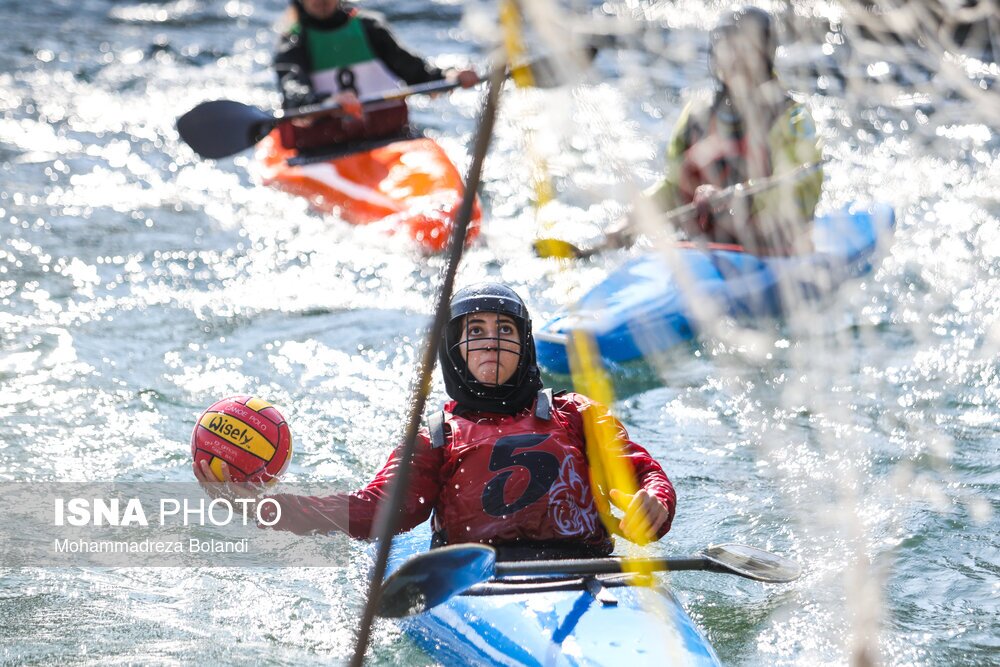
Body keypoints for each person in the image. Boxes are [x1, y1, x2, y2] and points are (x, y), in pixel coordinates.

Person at [195, 283, 676, 556]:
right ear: (455, 351)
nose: (490, 342)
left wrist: (653, 503)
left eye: (504, 330)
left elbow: (643, 472)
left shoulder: (576, 414)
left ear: (525, 344)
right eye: (476, 332)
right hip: (477, 581)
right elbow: (374, 511)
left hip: (588, 575)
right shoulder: (436, 437)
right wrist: (263, 505)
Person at [625, 7, 823, 255]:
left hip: (772, 253)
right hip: (703, 252)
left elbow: (797, 199)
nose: (734, 59)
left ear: (765, 55)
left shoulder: (793, 120)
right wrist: (633, 219)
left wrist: (733, 201)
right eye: (727, 48)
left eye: (745, 49)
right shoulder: (697, 116)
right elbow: (673, 186)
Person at [273, 0, 479, 151]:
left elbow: (415, 72)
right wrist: (328, 101)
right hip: (323, 146)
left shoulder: (369, 27)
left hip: (388, 137)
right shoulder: (294, 42)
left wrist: (450, 76)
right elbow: (293, 93)